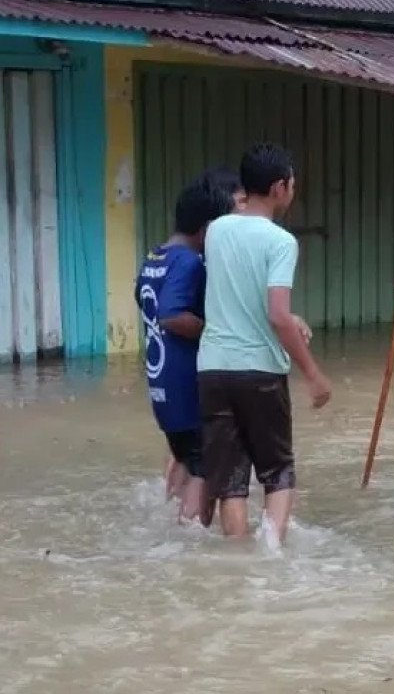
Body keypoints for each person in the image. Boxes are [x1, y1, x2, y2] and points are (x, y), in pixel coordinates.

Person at [197, 143, 331, 542]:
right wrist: (313, 373)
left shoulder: (217, 229)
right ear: (278, 188)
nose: (293, 190)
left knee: (232, 481)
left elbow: (235, 293)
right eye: (291, 183)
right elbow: (276, 314)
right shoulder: (280, 242)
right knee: (278, 473)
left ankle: (237, 566)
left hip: (212, 369)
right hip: (259, 371)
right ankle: (271, 558)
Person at [134, 167, 244, 525]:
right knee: (204, 466)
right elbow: (171, 315)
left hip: (161, 385)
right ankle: (189, 532)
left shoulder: (156, 257)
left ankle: (169, 512)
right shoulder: (190, 263)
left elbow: (144, 300)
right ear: (206, 228)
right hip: (186, 386)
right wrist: (215, 332)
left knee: (185, 456)